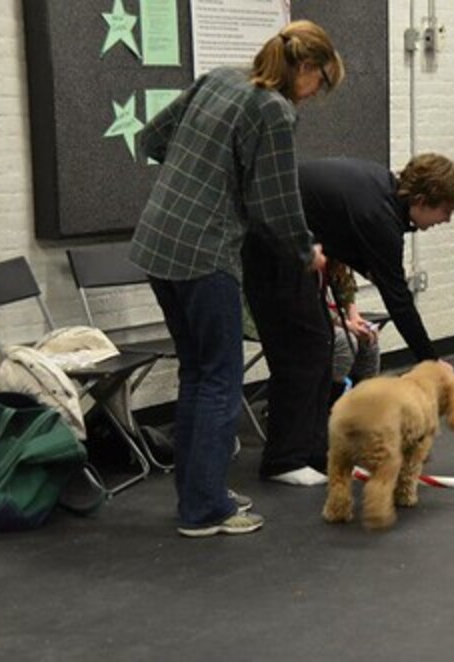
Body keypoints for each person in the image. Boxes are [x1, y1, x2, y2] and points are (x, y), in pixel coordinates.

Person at [129, 20, 344, 537]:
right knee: (221, 379)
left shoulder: (218, 79)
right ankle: (205, 510)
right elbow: (274, 204)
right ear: (306, 68)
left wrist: (198, 175)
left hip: (157, 244)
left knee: (196, 374)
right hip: (206, 255)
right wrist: (306, 252)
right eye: (321, 83)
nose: (316, 96)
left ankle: (200, 495)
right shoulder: (274, 110)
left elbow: (151, 138)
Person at [242, 153, 454, 486]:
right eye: (446, 211)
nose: (446, 220)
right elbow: (399, 301)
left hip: (285, 249)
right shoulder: (379, 215)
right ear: (422, 200)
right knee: (303, 352)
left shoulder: (383, 195)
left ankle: (312, 452)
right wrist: (433, 361)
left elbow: (362, 258)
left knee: (320, 346)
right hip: (270, 251)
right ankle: (283, 460)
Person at [326, 259, 381, 403]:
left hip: (331, 318)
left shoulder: (336, 255)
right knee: (345, 341)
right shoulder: (302, 255)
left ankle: (362, 403)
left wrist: (354, 317)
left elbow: (345, 286)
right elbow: (310, 306)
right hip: (302, 320)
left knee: (369, 338)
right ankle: (330, 405)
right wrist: (346, 325)